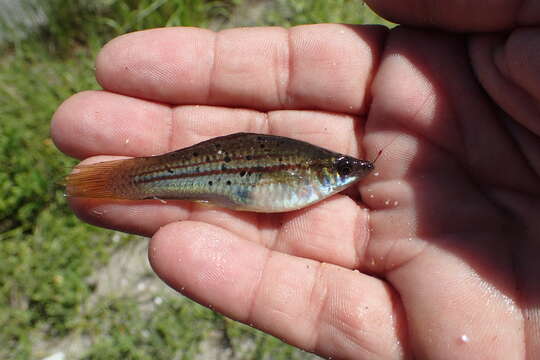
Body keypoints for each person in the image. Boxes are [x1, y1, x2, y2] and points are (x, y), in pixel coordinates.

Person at [51, 1, 540, 358]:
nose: (350, 174)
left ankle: (121, 181)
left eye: (346, 170)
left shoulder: (317, 173)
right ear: (322, 170)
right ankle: (121, 181)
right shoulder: (312, 169)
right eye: (342, 170)